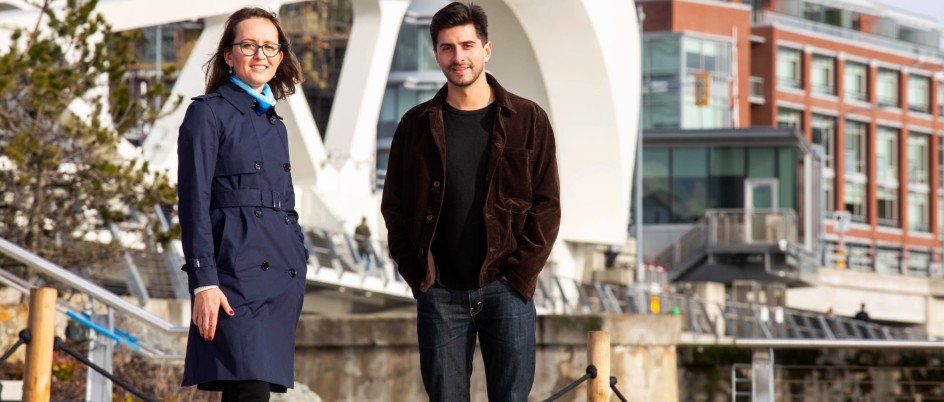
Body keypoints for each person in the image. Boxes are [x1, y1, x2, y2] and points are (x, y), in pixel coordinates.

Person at [380, 2, 561, 401]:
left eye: (467, 45)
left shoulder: (528, 120)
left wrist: (519, 279)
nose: (458, 57)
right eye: (447, 48)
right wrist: (419, 278)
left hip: (506, 289)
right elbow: (394, 207)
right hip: (440, 293)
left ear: (486, 49)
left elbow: (546, 207)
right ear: (437, 54)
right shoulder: (415, 125)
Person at [176, 7, 306, 402]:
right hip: (233, 277)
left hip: (280, 277)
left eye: (270, 46)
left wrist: (301, 254)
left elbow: (287, 204)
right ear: (229, 55)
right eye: (248, 45)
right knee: (246, 390)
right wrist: (204, 281)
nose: (260, 54)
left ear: (281, 56)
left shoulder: (276, 125)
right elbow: (193, 202)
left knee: (257, 392)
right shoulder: (207, 113)